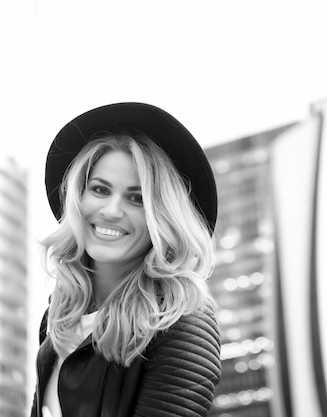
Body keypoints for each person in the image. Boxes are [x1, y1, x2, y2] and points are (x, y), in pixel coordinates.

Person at [30, 102, 221, 417]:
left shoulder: (184, 321)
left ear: (162, 217)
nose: (112, 210)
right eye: (100, 190)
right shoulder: (59, 316)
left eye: (136, 198)